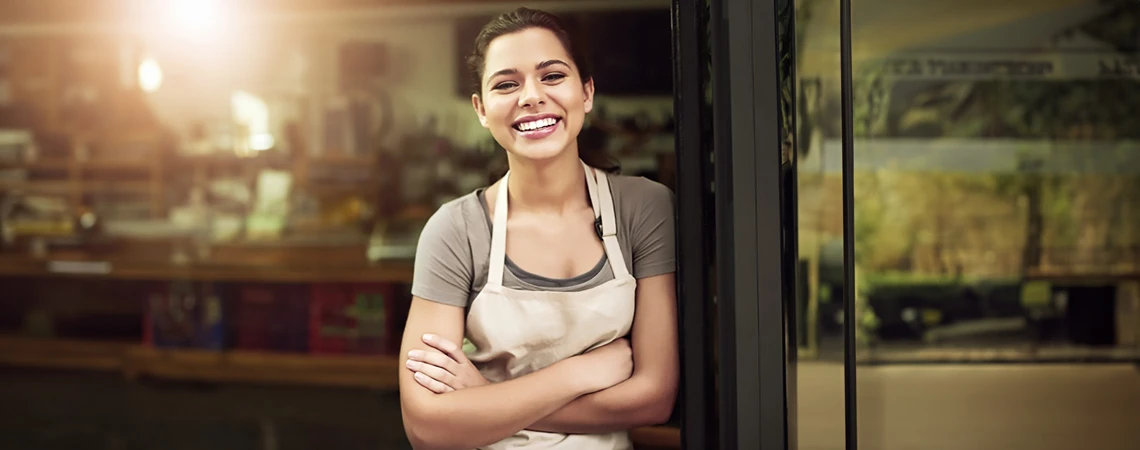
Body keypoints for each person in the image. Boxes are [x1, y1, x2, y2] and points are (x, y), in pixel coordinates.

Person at [398, 7, 678, 450]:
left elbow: (655, 397)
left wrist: (486, 401)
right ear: (481, 110)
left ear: (586, 92)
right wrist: (579, 373)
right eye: (506, 84)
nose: (531, 96)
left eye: (552, 76)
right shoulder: (455, 230)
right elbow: (427, 427)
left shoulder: (643, 209)